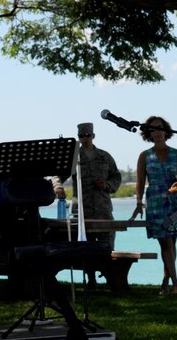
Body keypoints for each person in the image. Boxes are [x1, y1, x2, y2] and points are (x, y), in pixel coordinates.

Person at [53, 122, 122, 286]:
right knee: (85, 246)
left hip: (103, 209)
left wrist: (106, 185)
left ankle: (109, 277)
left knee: (106, 245)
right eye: (81, 136)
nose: (85, 139)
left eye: (87, 135)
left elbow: (116, 177)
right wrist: (59, 187)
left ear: (93, 136)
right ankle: (90, 278)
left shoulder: (105, 156)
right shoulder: (73, 158)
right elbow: (57, 176)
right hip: (82, 210)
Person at [130, 115, 177, 294]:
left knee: (173, 241)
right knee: (165, 243)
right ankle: (176, 284)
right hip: (155, 203)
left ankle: (166, 280)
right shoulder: (144, 156)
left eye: (160, 128)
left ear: (166, 131)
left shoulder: (176, 153)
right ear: (148, 133)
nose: (157, 132)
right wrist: (138, 202)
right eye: (153, 129)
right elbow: (140, 182)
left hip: (175, 203)